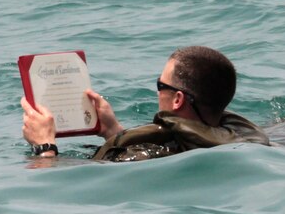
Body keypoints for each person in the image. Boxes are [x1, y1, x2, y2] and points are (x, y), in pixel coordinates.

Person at [22, 46, 269, 162]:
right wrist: (113, 131)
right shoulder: (238, 140)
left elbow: (60, 194)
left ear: (178, 99)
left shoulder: (150, 156)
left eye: (160, 85)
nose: (157, 91)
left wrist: (44, 146)